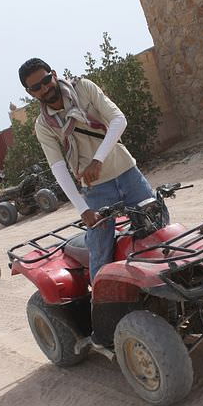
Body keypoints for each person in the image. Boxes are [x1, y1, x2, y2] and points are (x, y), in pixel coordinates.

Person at [18, 58, 165, 282]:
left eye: (46, 80)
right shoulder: (44, 125)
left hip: (128, 173)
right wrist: (82, 209)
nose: (45, 88)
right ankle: (102, 308)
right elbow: (57, 167)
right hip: (96, 190)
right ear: (31, 93)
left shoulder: (84, 88)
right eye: (36, 87)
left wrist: (97, 160)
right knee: (100, 253)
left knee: (160, 231)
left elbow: (118, 120)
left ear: (54, 74)